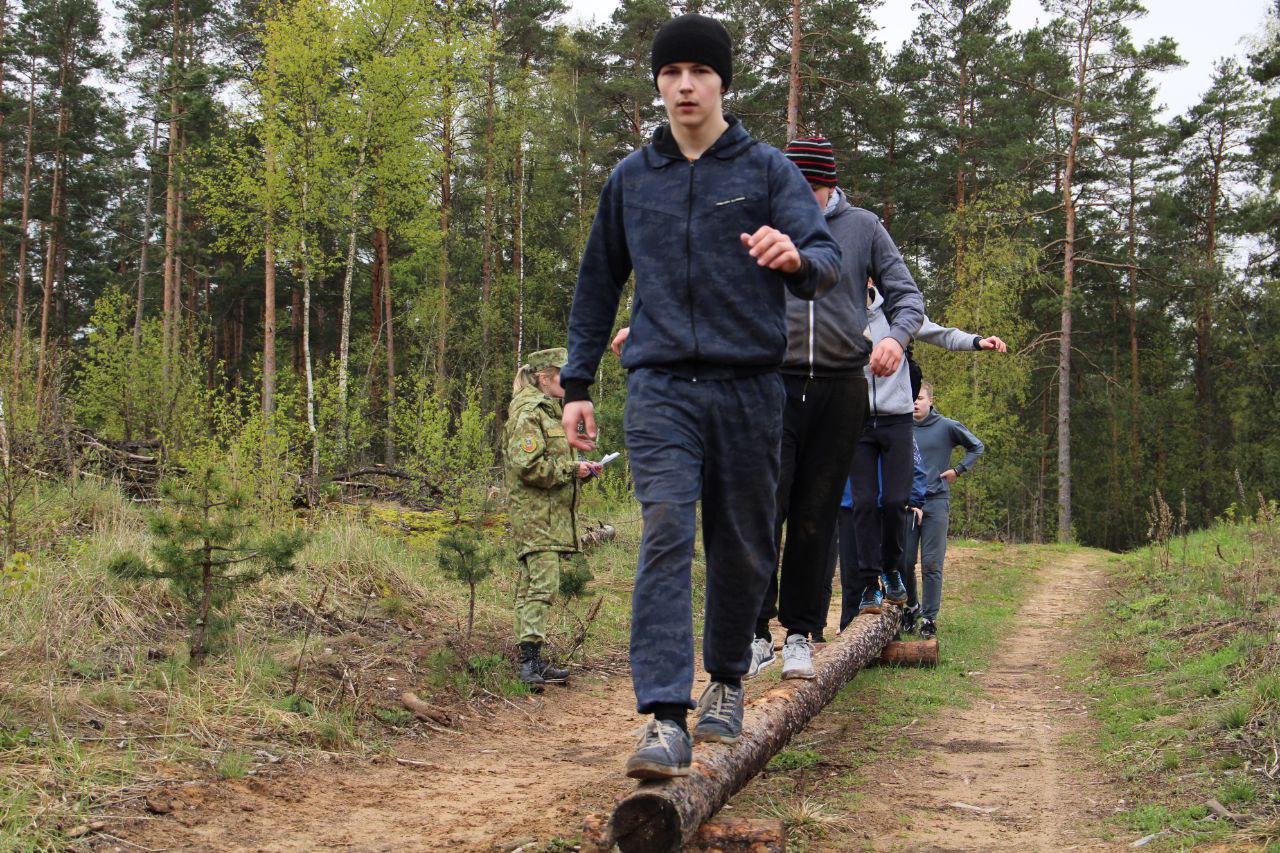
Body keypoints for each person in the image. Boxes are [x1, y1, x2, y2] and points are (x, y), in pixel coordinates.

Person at [558, 13, 842, 780]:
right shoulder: (630, 179)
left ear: (722, 82)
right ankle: (663, 715)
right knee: (664, 531)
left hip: (750, 388)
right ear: (658, 80)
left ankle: (724, 676)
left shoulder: (766, 172)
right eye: (671, 71)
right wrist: (576, 384)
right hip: (660, 388)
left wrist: (796, 258)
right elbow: (597, 283)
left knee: (743, 543)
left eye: (700, 72)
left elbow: (825, 255)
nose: (685, 85)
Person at [750, 136, 922, 681]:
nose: (805, 201)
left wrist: (895, 337)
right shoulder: (762, 224)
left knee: (814, 514)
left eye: (815, 191)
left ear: (830, 187)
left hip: (840, 385)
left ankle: (800, 634)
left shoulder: (864, 227)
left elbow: (907, 295)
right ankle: (756, 634)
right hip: (772, 385)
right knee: (764, 508)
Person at [849, 282, 1005, 621]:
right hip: (857, 421)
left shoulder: (896, 312)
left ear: (873, 277)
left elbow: (941, 334)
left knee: (894, 501)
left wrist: (978, 342)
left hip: (897, 421)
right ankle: (869, 583)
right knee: (863, 504)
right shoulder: (839, 308)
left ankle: (891, 570)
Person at [503, 347, 602, 692]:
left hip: (548, 515)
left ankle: (531, 659)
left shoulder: (550, 411)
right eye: (564, 375)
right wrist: (570, 469)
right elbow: (528, 466)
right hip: (535, 515)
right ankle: (529, 661)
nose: (570, 381)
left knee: (531, 586)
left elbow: (551, 465)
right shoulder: (530, 412)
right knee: (542, 586)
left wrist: (581, 471)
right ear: (545, 377)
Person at [905, 381, 985, 639]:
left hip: (936, 501)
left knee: (931, 563)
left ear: (931, 400)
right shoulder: (900, 427)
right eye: (911, 398)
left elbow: (977, 446)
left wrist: (958, 470)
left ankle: (929, 617)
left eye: (919, 397)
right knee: (904, 561)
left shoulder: (946, 426)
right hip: (906, 505)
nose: (915, 402)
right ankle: (911, 606)